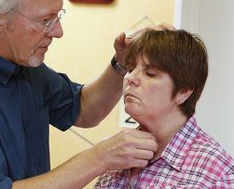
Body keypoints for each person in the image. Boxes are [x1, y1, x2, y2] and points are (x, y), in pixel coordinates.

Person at [0, 0, 165, 189]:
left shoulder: (24, 65)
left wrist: (121, 63)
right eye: (46, 20)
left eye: (58, 16)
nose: (58, 32)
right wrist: (102, 157)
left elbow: (84, 110)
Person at [93, 29, 234, 188]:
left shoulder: (218, 175)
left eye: (150, 73)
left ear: (184, 91)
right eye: (131, 69)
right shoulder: (117, 153)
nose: (130, 78)